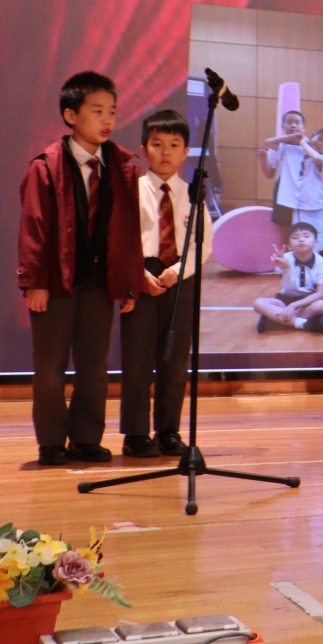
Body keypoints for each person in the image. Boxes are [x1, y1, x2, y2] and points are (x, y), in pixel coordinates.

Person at [18, 72, 142, 467]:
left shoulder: (120, 168)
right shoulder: (46, 167)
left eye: (112, 112)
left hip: (100, 284)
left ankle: (87, 438)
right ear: (71, 115)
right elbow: (34, 228)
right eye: (97, 111)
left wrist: (128, 283)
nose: (107, 120)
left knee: (94, 367)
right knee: (50, 368)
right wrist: (34, 282)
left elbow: (127, 232)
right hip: (55, 283)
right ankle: (52, 441)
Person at [119, 109, 210, 458]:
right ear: (144, 149)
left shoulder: (192, 195)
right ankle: (135, 434)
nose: (166, 152)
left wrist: (179, 270)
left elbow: (204, 243)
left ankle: (168, 431)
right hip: (142, 275)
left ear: (185, 152)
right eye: (157, 144)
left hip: (180, 278)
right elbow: (122, 238)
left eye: (174, 145)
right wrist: (138, 273)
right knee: (138, 359)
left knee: (175, 360)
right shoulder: (133, 190)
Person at [263, 109, 323, 249]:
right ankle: (286, 259)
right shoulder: (284, 146)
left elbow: (317, 158)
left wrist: (300, 141)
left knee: (308, 238)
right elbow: (267, 143)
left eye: (297, 122)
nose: (293, 125)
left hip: (309, 202)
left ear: (304, 129)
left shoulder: (321, 156)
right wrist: (290, 138)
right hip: (285, 196)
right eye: (289, 122)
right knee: (286, 235)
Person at [256, 223, 323, 332]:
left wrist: (293, 306)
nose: (301, 240)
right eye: (295, 237)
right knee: (259, 303)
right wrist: (282, 265)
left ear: (315, 242)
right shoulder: (284, 258)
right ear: (289, 246)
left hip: (309, 301)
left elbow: (320, 294)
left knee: (322, 305)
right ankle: (302, 323)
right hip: (285, 299)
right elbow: (284, 267)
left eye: (306, 236)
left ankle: (274, 320)